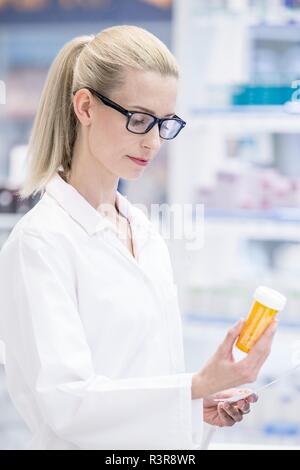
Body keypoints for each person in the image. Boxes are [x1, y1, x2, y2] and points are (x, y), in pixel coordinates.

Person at [0, 25, 277, 450]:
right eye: (139, 119)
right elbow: (65, 404)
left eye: (165, 123)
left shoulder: (143, 232)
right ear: (86, 107)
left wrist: (196, 402)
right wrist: (192, 385)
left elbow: (140, 377)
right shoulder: (40, 244)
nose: (152, 141)